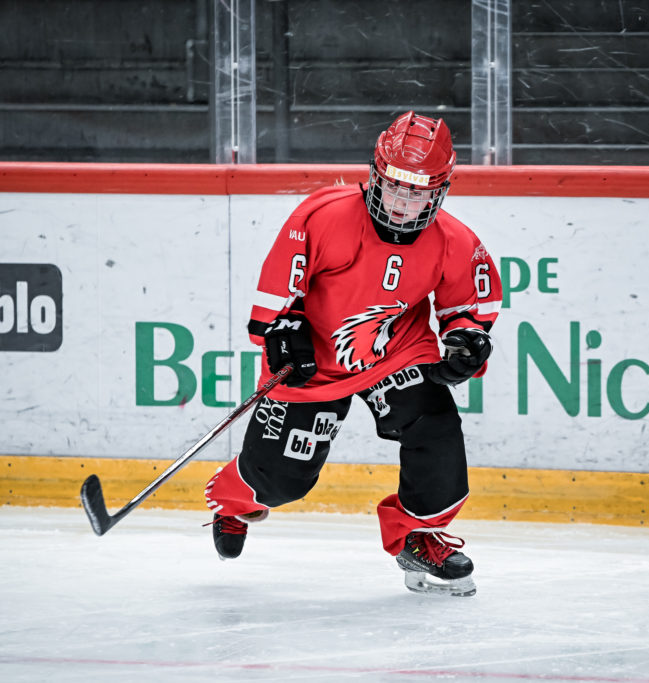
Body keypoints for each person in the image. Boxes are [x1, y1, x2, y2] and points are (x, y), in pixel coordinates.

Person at [203, 111, 502, 597]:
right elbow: (282, 283)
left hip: (395, 350)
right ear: (375, 175)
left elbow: (468, 307)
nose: (402, 203)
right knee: (282, 481)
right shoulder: (323, 215)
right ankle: (235, 501)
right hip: (316, 358)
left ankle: (417, 534)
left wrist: (466, 341)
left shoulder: (456, 241)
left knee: (435, 426)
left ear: (440, 192)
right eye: (394, 187)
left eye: (418, 193)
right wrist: (283, 327)